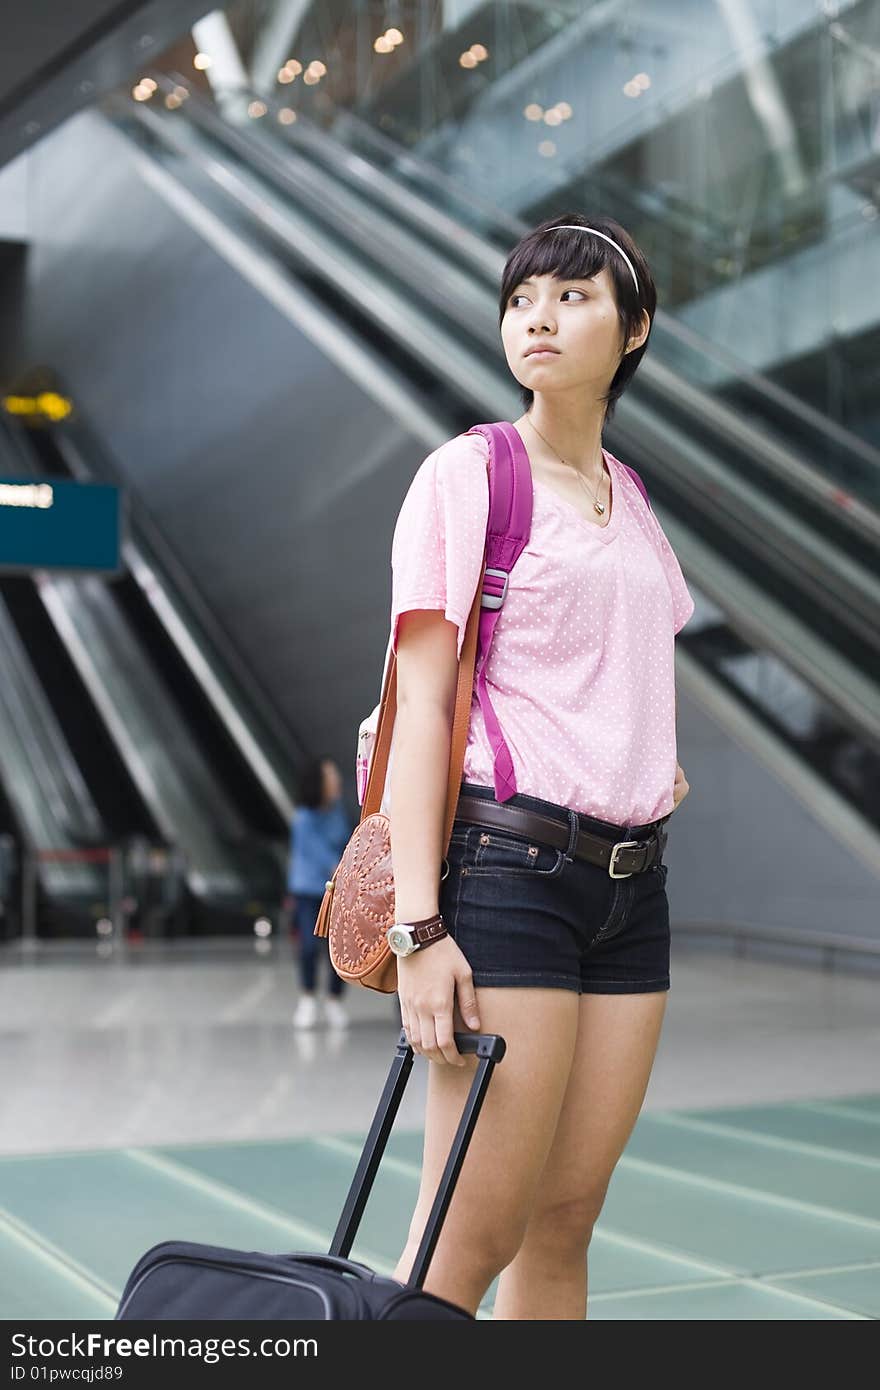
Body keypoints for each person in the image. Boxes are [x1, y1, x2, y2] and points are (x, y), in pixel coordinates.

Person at [386, 214, 694, 1318]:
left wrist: (646, 767)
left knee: (563, 1228)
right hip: (507, 873)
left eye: (572, 297)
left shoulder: (635, 500)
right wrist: (417, 929)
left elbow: (620, 670)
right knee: (464, 1244)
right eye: (522, 299)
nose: (539, 319)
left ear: (634, 329)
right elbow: (425, 701)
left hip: (630, 889)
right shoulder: (471, 475)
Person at [288, 756, 352, 1029]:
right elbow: (320, 854)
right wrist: (341, 869)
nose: (336, 781)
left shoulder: (337, 811)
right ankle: (307, 998)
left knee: (338, 948)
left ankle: (334, 1000)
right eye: (330, 776)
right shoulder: (302, 819)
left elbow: (346, 840)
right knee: (308, 946)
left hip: (335, 889)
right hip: (308, 891)